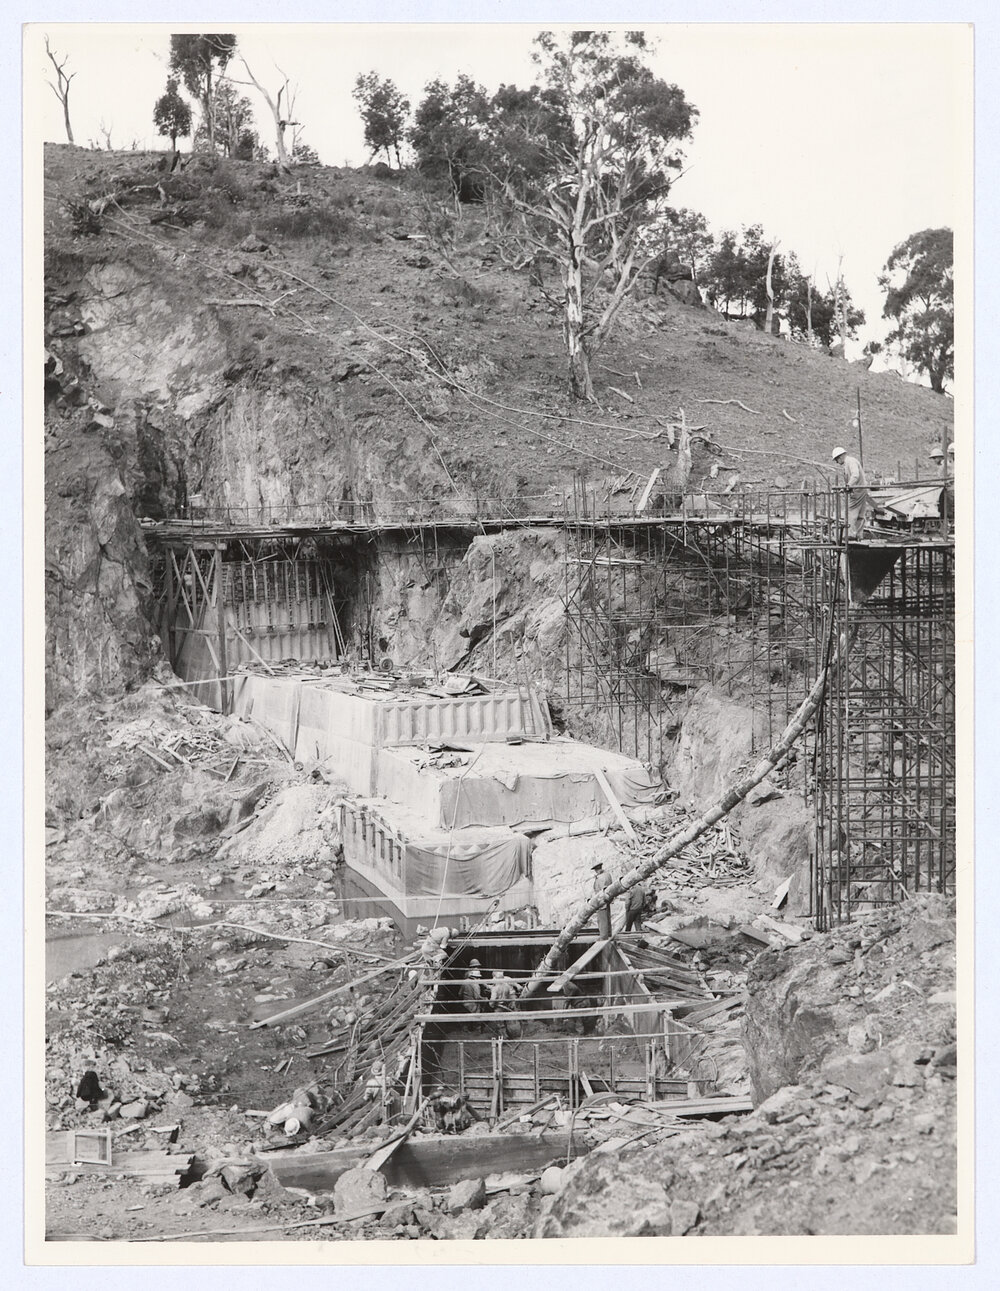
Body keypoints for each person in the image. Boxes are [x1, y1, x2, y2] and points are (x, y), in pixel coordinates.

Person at [831, 446, 871, 539]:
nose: (837, 462)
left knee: (851, 513)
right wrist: (846, 487)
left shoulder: (850, 461)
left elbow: (855, 475)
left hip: (857, 491)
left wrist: (848, 485)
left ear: (840, 457)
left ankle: (850, 535)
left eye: (836, 460)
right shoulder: (849, 462)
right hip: (861, 490)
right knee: (860, 514)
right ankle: (858, 535)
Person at [591, 860, 614, 938]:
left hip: (601, 901)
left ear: (597, 870)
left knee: (602, 921)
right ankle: (609, 934)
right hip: (608, 899)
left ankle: (604, 937)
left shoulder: (600, 878)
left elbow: (601, 890)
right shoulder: (607, 874)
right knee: (607, 919)